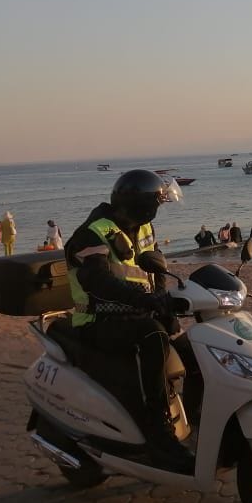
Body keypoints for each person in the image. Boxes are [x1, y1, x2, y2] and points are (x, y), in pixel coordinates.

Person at [63, 169, 194, 471]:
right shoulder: (92, 233)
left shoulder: (143, 227)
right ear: (143, 205)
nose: (158, 209)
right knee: (154, 337)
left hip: (135, 313)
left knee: (189, 344)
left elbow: (156, 267)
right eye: (157, 203)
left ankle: (196, 416)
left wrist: (162, 301)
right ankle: (158, 432)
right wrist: (141, 299)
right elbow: (97, 279)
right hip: (96, 319)